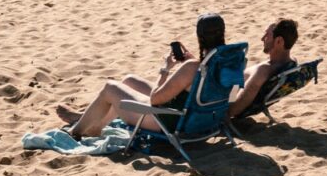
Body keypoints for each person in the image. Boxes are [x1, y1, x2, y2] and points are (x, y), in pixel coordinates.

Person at [57, 12, 226, 139]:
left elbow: (155, 100)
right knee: (130, 80)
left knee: (110, 88)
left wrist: (166, 69)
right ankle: (97, 125)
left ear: (200, 37)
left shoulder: (192, 67)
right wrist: (191, 64)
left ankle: (75, 132)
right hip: (203, 118)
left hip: (169, 122)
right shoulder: (226, 60)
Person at [228, 19, 299, 118]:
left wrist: (224, 114)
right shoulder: (291, 63)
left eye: (267, 35)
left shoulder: (263, 71)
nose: (262, 39)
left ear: (279, 41)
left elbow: (234, 108)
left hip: (220, 100)